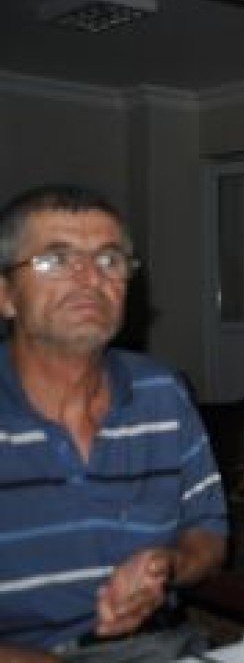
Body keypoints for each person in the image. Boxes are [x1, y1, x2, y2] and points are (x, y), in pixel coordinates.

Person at [0, 185, 227, 662]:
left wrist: (168, 565)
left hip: (156, 647)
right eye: (56, 259)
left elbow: (208, 535)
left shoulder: (162, 393)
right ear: (6, 296)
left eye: (109, 259)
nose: (90, 278)